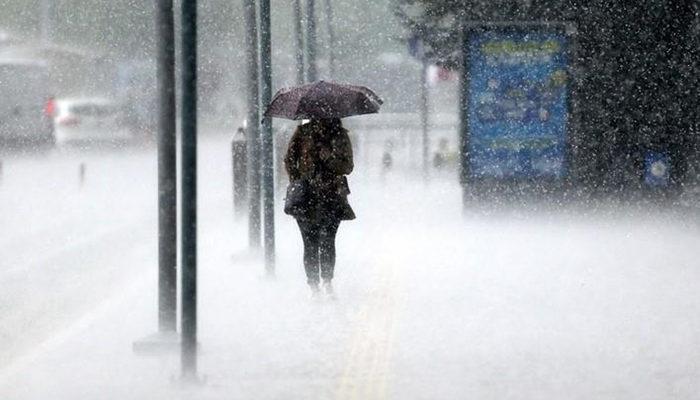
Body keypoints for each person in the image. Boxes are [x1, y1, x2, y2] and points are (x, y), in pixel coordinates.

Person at [284, 118, 355, 297]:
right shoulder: (302, 133)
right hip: (306, 198)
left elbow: (347, 167)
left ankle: (327, 281)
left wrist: (329, 157)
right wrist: (298, 180)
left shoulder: (340, 135)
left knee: (328, 240)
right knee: (310, 242)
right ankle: (314, 285)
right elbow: (289, 160)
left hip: (332, 196)